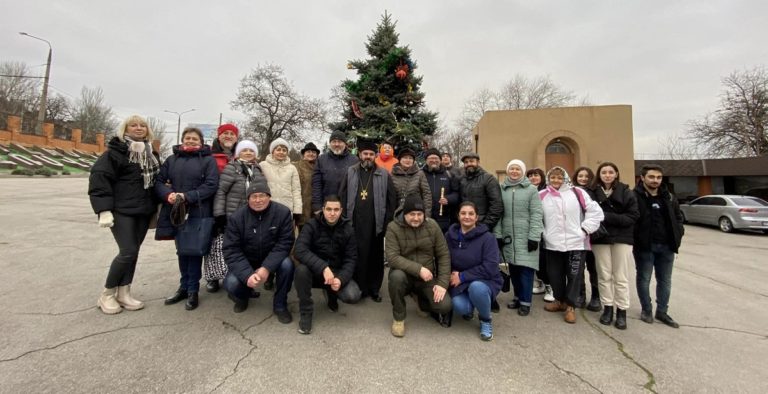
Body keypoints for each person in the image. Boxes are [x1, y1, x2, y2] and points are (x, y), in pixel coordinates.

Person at [89, 115, 159, 314]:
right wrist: (103, 209)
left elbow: (156, 181)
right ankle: (107, 294)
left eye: (143, 125)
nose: (139, 128)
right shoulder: (115, 153)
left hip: (144, 211)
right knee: (127, 251)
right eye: (133, 125)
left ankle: (124, 292)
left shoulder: (150, 154)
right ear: (125, 129)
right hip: (122, 211)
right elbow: (99, 180)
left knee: (133, 253)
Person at [155, 127, 219, 311]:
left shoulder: (208, 160)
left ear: (201, 141)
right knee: (181, 251)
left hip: (197, 211)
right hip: (175, 210)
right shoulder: (172, 159)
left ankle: (193, 290)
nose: (191, 141)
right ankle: (183, 287)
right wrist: (169, 195)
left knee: (193, 250)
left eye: (194, 139)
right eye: (187, 138)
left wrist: (187, 196)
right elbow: (159, 182)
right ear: (182, 140)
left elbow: (211, 185)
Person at [222, 182, 295, 324]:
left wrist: (266, 268)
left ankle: (280, 304)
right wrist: (247, 274)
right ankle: (243, 296)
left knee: (287, 265)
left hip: (272, 257)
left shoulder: (283, 213)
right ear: (247, 199)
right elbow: (231, 249)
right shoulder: (237, 217)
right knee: (231, 284)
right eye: (253, 196)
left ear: (269, 196)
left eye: (262, 195)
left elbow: (285, 243)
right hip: (246, 259)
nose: (258, 200)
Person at [539, 166, 603, 324]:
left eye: (559, 178)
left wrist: (585, 229)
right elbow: (535, 216)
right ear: (548, 179)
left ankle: (570, 306)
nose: (556, 181)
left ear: (565, 178)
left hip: (576, 242)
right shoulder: (541, 195)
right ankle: (559, 300)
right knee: (555, 275)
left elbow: (595, 211)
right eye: (553, 177)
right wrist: (543, 233)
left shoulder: (577, 193)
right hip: (552, 243)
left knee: (574, 275)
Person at [339, 138, 397, 302]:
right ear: (359, 154)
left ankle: (374, 289)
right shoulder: (351, 171)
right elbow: (342, 195)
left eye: (371, 154)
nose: (368, 157)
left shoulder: (383, 173)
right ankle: (360, 287)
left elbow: (392, 199)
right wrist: (344, 219)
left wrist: (388, 220)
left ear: (375, 155)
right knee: (358, 255)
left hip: (376, 223)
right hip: (355, 222)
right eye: (365, 153)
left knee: (375, 256)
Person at [386, 194, 453, 337]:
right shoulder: (393, 228)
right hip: (404, 275)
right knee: (396, 277)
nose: (416, 218)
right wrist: (419, 269)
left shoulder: (432, 226)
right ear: (404, 214)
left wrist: (442, 283)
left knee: (444, 305)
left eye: (419, 214)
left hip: (427, 278)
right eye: (412, 214)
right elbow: (392, 258)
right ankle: (399, 318)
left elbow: (443, 255)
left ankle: (420, 299)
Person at [293, 195, 361, 334]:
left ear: (341, 210)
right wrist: (323, 267)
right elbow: (299, 250)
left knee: (353, 295)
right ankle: (306, 312)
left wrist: (340, 279)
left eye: (336, 209)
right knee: (301, 271)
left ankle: (332, 294)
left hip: (336, 272)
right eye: (329, 209)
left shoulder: (348, 229)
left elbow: (351, 259)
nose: (332, 213)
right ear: (322, 210)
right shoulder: (311, 225)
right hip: (315, 271)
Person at [587, 162, 639, 330]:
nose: (607, 175)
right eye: (604, 172)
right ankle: (607, 307)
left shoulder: (626, 192)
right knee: (604, 274)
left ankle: (622, 311)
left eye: (611, 172)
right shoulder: (593, 192)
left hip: (622, 239)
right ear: (599, 174)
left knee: (621, 276)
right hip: (600, 238)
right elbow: (589, 214)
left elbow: (632, 216)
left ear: (616, 174)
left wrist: (606, 216)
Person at [209, 140, 265, 293]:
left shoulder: (258, 170)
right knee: (233, 249)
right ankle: (232, 281)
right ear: (238, 153)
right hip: (233, 217)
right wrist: (219, 214)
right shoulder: (232, 168)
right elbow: (221, 192)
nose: (248, 153)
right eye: (244, 150)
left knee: (249, 249)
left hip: (254, 217)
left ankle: (248, 280)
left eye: (251, 150)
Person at [633, 164, 684, 328]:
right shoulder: (635, 196)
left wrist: (678, 234)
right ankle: (646, 309)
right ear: (642, 178)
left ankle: (662, 311)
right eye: (651, 177)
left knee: (665, 281)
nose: (655, 180)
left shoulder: (668, 197)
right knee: (644, 279)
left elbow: (678, 218)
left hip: (667, 247)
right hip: (645, 247)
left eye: (658, 177)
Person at [446, 202, 503, 341]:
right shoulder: (449, 235)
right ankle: (471, 307)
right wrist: (448, 274)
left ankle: (485, 320)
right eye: (463, 213)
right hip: (459, 282)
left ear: (477, 217)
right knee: (460, 307)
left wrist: (463, 276)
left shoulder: (488, 238)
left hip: (485, 280)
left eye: (471, 214)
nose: (467, 217)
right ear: (458, 216)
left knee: (477, 288)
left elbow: (490, 266)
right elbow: (444, 258)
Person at [494, 160, 544, 317]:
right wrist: (498, 235)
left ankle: (525, 302)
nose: (514, 171)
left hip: (526, 236)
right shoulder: (502, 189)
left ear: (522, 172)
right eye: (511, 169)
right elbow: (499, 214)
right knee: (513, 269)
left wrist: (534, 237)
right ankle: (517, 296)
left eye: (517, 169)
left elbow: (537, 214)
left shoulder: (531, 190)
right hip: (509, 236)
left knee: (526, 270)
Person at [459, 152, 503, 311]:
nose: (469, 164)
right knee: (468, 262)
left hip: (482, 227)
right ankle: (467, 294)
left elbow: (496, 205)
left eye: (472, 161)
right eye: (466, 162)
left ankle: (491, 295)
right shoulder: (462, 179)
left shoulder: (488, 179)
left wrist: (485, 226)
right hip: (465, 227)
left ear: (478, 162)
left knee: (487, 263)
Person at [572, 166, 602, 311]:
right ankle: (580, 295)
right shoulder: (572, 193)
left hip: (593, 236)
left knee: (594, 268)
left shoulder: (597, 192)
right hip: (577, 237)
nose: (583, 179)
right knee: (578, 269)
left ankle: (596, 297)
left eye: (586, 176)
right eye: (580, 176)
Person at [312, 131, 359, 214]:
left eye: (340, 142)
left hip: (347, 207)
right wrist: (317, 206)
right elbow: (316, 184)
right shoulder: (321, 160)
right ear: (330, 144)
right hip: (327, 206)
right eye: (334, 142)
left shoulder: (354, 160)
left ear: (345, 144)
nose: (337, 144)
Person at [526, 167, 552, 301]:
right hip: (528, 229)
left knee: (544, 261)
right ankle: (539, 282)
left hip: (545, 230)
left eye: (536, 175)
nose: (533, 178)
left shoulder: (547, 192)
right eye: (530, 176)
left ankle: (550, 286)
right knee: (533, 258)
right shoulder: (526, 191)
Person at [423, 148, 459, 233]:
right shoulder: (420, 174)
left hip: (444, 219)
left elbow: (456, 193)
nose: (434, 160)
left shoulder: (449, 175)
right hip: (425, 217)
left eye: (436, 158)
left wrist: (448, 199)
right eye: (431, 158)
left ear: (440, 160)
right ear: (426, 160)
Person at [391, 147, 432, 216]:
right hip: (398, 212)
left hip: (416, 212)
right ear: (400, 160)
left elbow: (426, 194)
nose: (408, 160)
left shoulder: (420, 174)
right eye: (405, 158)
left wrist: (427, 214)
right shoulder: (392, 175)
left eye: (410, 158)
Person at [294, 142, 320, 230]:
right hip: (302, 206)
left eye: (313, 152)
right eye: (308, 151)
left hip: (317, 206)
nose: (311, 154)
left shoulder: (320, 166)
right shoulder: (296, 166)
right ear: (304, 154)